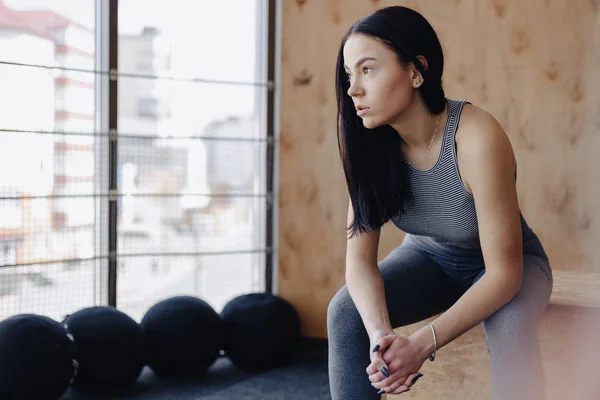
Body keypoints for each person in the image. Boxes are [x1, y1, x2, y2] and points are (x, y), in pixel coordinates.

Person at [327, 6, 553, 400]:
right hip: (428, 260)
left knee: (509, 326)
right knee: (346, 312)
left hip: (508, 268)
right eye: (349, 74)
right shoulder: (370, 145)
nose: (353, 89)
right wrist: (382, 337)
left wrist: (421, 344)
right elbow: (359, 263)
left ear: (416, 71)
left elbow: (504, 274)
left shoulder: (476, 137)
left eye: (368, 69)